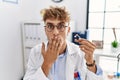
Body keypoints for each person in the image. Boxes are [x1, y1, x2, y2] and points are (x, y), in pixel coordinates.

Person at [23, 6, 103, 80]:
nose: (55, 32)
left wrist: (90, 62)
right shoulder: (36, 52)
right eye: (50, 26)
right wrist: (47, 63)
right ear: (45, 30)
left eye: (61, 26)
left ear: (68, 30)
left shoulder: (79, 53)